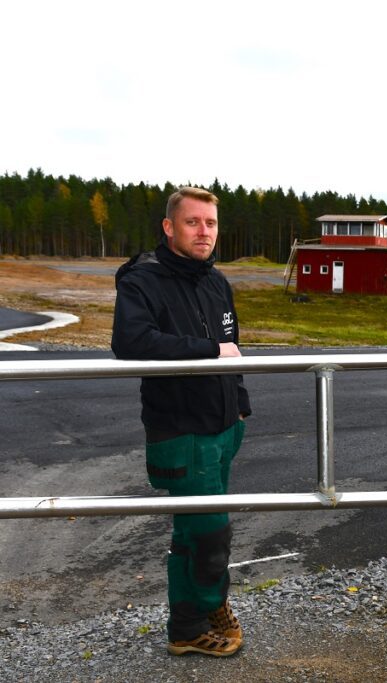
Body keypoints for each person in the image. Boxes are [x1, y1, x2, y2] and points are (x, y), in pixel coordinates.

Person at [112, 186, 251, 657]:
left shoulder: (216, 281)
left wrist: (241, 401)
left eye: (210, 223)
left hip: (223, 424)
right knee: (211, 532)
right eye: (193, 222)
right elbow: (131, 341)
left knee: (192, 531)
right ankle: (199, 617)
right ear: (169, 227)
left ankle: (190, 618)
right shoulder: (142, 280)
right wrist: (207, 350)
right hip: (182, 428)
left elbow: (233, 344)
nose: (203, 232)